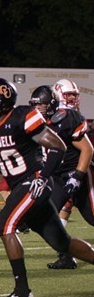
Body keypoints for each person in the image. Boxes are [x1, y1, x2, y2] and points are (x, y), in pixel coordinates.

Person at [0, 78, 94, 297]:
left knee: (4, 224)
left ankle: (22, 291)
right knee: (61, 242)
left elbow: (58, 146)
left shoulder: (21, 117)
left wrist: (43, 177)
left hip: (34, 181)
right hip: (20, 186)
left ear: (1, 101)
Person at [30, 81, 94, 270]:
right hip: (56, 177)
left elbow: (87, 149)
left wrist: (78, 176)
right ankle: (66, 255)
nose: (37, 109)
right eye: (68, 95)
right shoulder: (33, 121)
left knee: (92, 217)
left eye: (40, 105)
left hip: (76, 174)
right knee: (47, 218)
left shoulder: (67, 117)